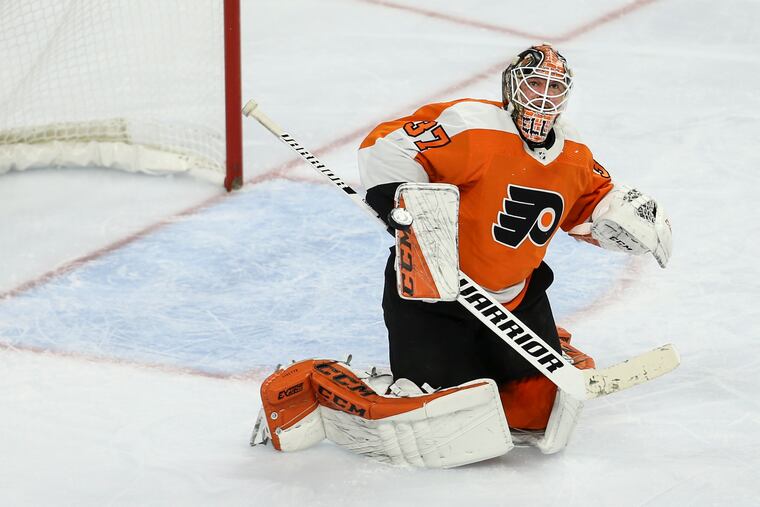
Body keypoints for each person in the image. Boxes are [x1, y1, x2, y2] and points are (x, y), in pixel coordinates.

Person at [357, 43, 672, 440]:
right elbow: (386, 144)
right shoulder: (472, 126)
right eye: (535, 82)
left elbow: (590, 200)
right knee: (447, 417)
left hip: (516, 300)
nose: (543, 96)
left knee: (537, 411)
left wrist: (627, 218)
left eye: (554, 88)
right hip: (435, 293)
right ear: (512, 87)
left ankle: (548, 340)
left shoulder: (573, 152)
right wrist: (399, 198)